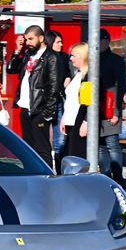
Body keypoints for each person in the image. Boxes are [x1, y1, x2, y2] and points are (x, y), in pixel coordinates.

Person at [7, 25, 60, 168]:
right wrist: (17, 50)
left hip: (40, 109)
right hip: (25, 107)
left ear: (41, 38)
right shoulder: (27, 55)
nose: (28, 42)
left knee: (42, 148)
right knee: (28, 148)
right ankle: (30, 174)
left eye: (31, 39)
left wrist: (47, 112)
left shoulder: (51, 57)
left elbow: (54, 87)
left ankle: (47, 178)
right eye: (26, 39)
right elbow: (10, 69)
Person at [98, 28, 126, 184]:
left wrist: (116, 112)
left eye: (99, 41)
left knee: (112, 144)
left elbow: (120, 86)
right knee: (100, 145)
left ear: (106, 41)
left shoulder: (115, 60)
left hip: (111, 107)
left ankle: (118, 178)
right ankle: (105, 177)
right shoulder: (93, 59)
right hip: (98, 108)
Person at [45, 30, 73, 172]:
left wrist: (68, 76)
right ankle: (47, 169)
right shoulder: (44, 57)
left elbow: (67, 72)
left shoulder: (63, 57)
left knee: (59, 139)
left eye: (61, 41)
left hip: (59, 101)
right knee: (42, 137)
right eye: (58, 42)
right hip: (45, 102)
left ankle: (59, 170)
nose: (61, 45)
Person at [60, 43, 89, 160]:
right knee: (69, 156)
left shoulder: (89, 76)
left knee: (77, 157)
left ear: (82, 56)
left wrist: (85, 123)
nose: (70, 58)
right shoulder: (77, 75)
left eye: (73, 55)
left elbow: (89, 103)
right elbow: (70, 99)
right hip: (70, 122)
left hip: (80, 122)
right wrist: (64, 118)